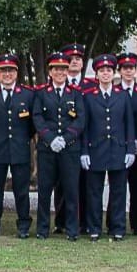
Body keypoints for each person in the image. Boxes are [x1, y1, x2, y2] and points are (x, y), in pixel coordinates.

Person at [81, 54, 135, 241]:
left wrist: (130, 150)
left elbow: (129, 124)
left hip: (118, 149)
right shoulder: (88, 97)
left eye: (109, 70)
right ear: (96, 74)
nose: (105, 73)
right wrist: (84, 152)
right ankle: (94, 227)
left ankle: (117, 227)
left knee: (119, 191)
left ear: (114, 73)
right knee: (94, 192)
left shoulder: (123, 96)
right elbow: (85, 126)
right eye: (102, 71)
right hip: (95, 149)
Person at [0, 54, 35, 238]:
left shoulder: (27, 94)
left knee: (21, 189)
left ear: (17, 73)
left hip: (20, 148)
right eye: (3, 71)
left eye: (11, 70)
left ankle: (23, 225)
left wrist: (23, 139)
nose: (7, 74)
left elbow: (33, 125)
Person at [33, 52, 85, 240]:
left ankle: (72, 230)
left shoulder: (76, 93)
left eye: (63, 69)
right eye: (56, 69)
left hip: (70, 149)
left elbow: (81, 119)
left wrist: (66, 138)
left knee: (71, 191)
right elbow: (37, 117)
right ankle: (42, 229)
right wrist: (50, 138)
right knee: (45, 191)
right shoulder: (41, 93)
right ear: (50, 71)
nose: (60, 72)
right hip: (48, 149)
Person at [55, 42, 97, 234]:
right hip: (63, 142)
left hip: (87, 142)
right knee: (62, 184)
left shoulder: (91, 86)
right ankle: (61, 222)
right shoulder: (57, 85)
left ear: (82, 63)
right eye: (70, 60)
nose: (74, 62)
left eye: (78, 59)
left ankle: (85, 223)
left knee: (86, 185)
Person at [117, 52, 137, 235]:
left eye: (131, 68)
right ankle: (116, 224)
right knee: (118, 189)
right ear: (120, 71)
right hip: (119, 147)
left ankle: (136, 225)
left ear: (136, 71)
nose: (128, 71)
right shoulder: (114, 91)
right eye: (125, 68)